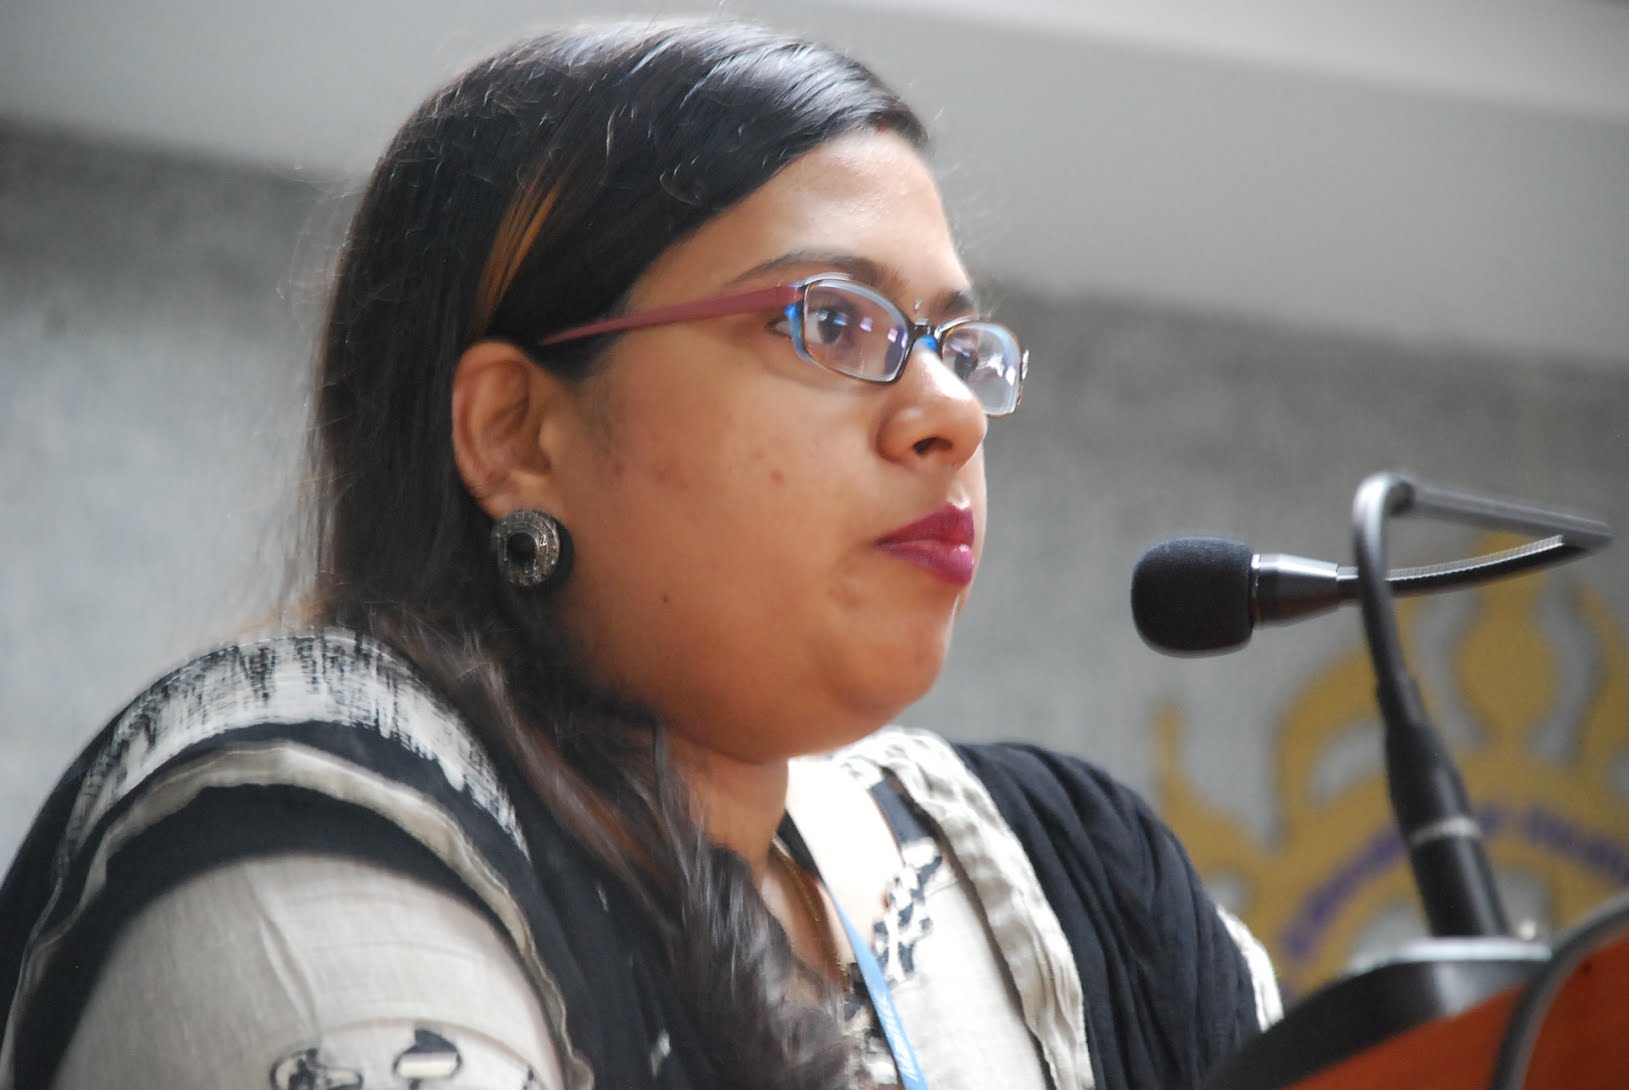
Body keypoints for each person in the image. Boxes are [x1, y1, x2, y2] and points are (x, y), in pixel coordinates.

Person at [0, 19, 1278, 1090]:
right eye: (833, 322)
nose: (949, 412)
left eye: (959, 346)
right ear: (517, 432)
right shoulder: (304, 826)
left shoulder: (1080, 895)